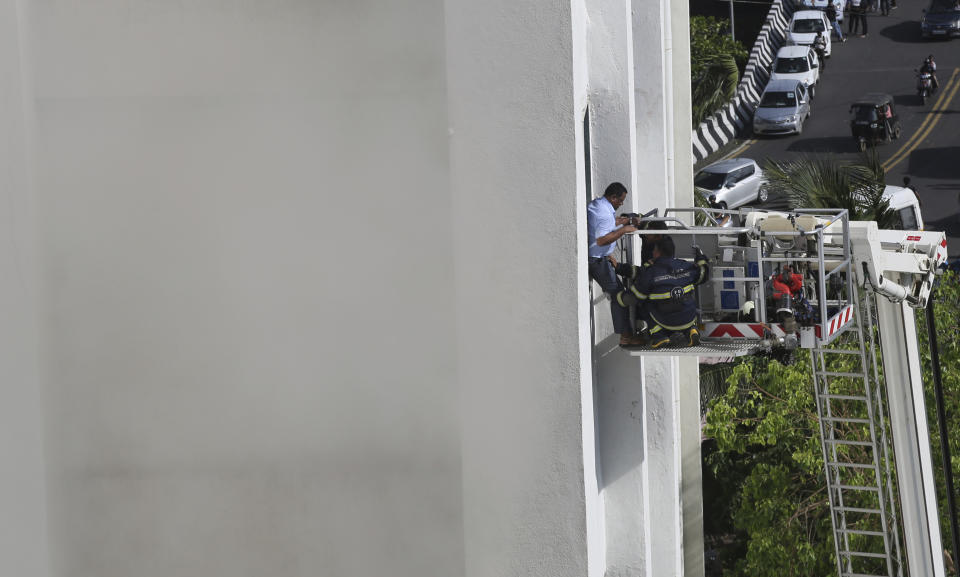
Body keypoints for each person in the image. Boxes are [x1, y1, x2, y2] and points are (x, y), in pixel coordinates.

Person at [614, 236, 710, 349]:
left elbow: (636, 296)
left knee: (644, 303)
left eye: (654, 250)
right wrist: (700, 258)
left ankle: (659, 336)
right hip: (688, 318)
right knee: (685, 301)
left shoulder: (651, 272)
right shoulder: (686, 266)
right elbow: (703, 275)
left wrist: (619, 297)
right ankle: (691, 330)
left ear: (658, 253)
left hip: (665, 321)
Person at [588, 182, 643, 347]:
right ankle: (626, 337)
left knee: (619, 295)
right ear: (613, 197)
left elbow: (610, 222)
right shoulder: (604, 213)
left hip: (600, 257)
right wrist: (623, 231)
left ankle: (627, 334)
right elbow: (601, 239)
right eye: (621, 200)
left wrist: (626, 221)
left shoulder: (600, 205)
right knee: (619, 297)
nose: (622, 203)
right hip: (597, 260)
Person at [771, 265, 804, 331]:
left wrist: (793, 277)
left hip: (788, 303)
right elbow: (776, 282)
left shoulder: (793, 283)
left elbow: (798, 285)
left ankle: (787, 318)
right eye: (787, 271)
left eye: (789, 271)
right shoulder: (780, 282)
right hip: (782, 303)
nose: (787, 274)